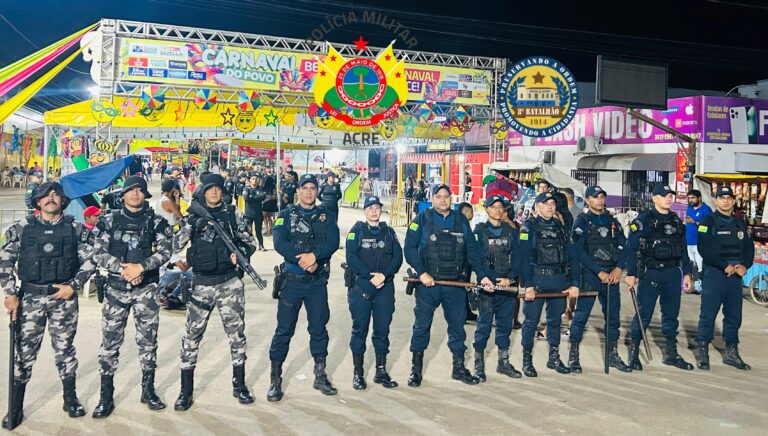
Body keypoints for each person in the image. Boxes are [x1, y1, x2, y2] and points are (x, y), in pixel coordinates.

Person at [1, 182, 95, 428]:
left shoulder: (76, 228)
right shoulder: (21, 229)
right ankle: (15, 407)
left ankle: (70, 398)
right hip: (30, 299)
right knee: (23, 354)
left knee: (65, 350)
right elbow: (5, 261)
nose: (51, 198)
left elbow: (90, 260)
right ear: (38, 201)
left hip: (62, 298)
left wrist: (73, 286)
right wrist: (10, 293)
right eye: (45, 195)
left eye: (56, 195)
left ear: (63, 201)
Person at [172, 173, 257, 410]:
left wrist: (241, 254)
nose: (214, 192)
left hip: (229, 283)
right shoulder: (192, 216)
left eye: (218, 188)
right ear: (203, 191)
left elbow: (250, 242)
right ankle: (185, 391)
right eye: (210, 189)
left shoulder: (232, 214)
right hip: (201, 284)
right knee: (191, 337)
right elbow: (175, 245)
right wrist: (191, 225)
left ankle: (239, 385)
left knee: (237, 336)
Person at [91, 176, 173, 417]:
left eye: (139, 190)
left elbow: (166, 251)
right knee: (110, 344)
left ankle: (148, 390)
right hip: (116, 288)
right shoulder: (108, 221)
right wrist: (124, 269)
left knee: (148, 341)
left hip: (146, 289)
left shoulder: (156, 222)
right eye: (130, 190)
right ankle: (106, 396)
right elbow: (98, 252)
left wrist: (142, 267)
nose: (135, 194)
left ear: (145, 194)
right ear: (123, 195)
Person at [403, 184, 493, 387]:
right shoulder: (422, 220)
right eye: (439, 197)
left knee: (457, 328)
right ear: (433, 199)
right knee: (422, 327)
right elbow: (409, 248)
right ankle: (415, 370)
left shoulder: (461, 221)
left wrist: (483, 275)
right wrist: (422, 272)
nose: (443, 200)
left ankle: (459, 368)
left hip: (455, 284)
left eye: (446, 196)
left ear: (451, 198)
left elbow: (472, 251)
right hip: (429, 285)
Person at [268, 174, 340, 401]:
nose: (309, 192)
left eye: (312, 188)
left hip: (317, 282)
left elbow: (332, 242)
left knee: (319, 329)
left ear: (317, 191)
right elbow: (279, 242)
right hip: (292, 282)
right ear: (298, 191)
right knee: (284, 330)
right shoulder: (286, 215)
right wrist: (303, 260)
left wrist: (315, 256)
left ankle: (320, 375)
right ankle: (275, 379)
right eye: (305, 188)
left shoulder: (326, 215)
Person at [624, 184, 694, 371]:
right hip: (650, 272)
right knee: (644, 314)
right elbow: (631, 247)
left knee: (671, 315)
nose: (669, 198)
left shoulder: (676, 221)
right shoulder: (644, 219)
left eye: (671, 195)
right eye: (664, 196)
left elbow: (683, 250)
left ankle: (671, 353)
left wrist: (687, 273)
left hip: (672, 273)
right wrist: (631, 273)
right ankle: (633, 352)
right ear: (654, 198)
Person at [568, 186, 631, 373]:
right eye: (596, 197)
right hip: (591, 274)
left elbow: (624, 246)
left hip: (612, 275)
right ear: (587, 200)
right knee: (581, 317)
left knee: (613, 318)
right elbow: (578, 251)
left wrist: (619, 268)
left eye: (603, 197)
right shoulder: (582, 221)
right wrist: (598, 272)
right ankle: (574, 356)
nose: (600, 200)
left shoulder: (611, 221)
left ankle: (612, 354)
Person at [518, 192, 580, 377]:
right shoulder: (528, 227)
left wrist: (574, 283)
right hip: (537, 280)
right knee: (531, 322)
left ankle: (553, 357)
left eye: (552, 203)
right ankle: (526, 360)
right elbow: (523, 257)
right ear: (537, 207)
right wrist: (528, 285)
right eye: (545, 204)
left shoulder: (561, 227)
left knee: (554, 321)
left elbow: (571, 256)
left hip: (558, 280)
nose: (550, 206)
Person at [345, 196, 403, 390]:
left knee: (382, 330)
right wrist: (370, 276)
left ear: (380, 210)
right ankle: (358, 373)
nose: (373, 211)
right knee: (359, 329)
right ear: (364, 211)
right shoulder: (356, 232)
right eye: (369, 208)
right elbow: (351, 258)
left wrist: (383, 276)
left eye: (377, 207)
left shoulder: (389, 232)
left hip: (384, 287)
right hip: (362, 287)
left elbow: (397, 258)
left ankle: (380, 370)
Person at [695, 185, 753, 371]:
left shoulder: (739, 223)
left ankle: (732, 352)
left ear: (733, 201)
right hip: (715, 275)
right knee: (708, 314)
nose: (726, 201)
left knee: (734, 316)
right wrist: (723, 265)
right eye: (722, 198)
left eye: (729, 198)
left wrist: (745, 265)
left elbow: (748, 247)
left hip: (735, 277)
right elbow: (704, 248)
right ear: (716, 200)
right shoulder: (708, 221)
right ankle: (702, 351)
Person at [472, 195, 522, 381]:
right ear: (487, 209)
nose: (498, 210)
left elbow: (518, 257)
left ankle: (503, 363)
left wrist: (510, 278)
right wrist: (485, 278)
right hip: (487, 287)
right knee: (484, 325)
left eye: (501, 207)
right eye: (494, 207)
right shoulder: (479, 232)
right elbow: (474, 258)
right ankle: (479, 365)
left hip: (506, 288)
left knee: (505, 326)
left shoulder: (512, 232)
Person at [685, 189, 712, 294]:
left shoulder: (706, 210)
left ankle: (701, 287)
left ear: (699, 198)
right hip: (689, 242)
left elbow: (708, 228)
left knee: (700, 265)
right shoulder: (689, 209)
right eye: (689, 198)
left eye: (693, 198)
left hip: (699, 243)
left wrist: (695, 223)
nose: (691, 200)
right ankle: (695, 285)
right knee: (693, 265)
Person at [458, 202, 478, 323]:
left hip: (467, 262)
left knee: (465, 287)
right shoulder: (460, 226)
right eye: (471, 211)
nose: (473, 214)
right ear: (465, 212)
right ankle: (462, 314)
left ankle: (467, 312)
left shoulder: (465, 225)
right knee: (461, 289)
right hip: (462, 263)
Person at [242, 173, 267, 251]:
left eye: (256, 179)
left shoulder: (261, 189)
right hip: (249, 213)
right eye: (253, 179)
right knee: (248, 231)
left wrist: (252, 196)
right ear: (250, 180)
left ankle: (261, 245)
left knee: (258, 231)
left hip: (258, 213)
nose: (255, 180)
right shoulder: (246, 188)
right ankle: (249, 246)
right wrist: (255, 197)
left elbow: (262, 197)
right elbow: (246, 198)